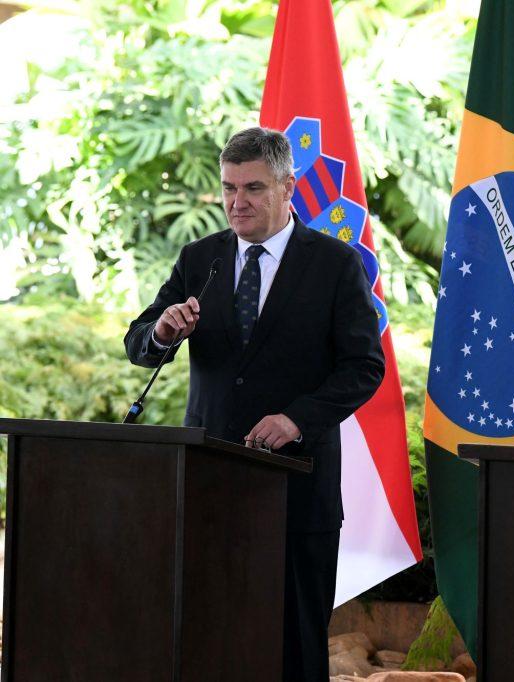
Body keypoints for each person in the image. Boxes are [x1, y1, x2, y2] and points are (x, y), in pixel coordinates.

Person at [124, 127, 385, 681]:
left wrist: (297, 418)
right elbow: (139, 343)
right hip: (208, 483)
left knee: (294, 649)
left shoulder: (335, 265)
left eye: (253, 189)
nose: (236, 202)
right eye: (228, 188)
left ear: (289, 187)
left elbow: (365, 368)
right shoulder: (201, 258)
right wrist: (162, 333)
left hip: (297, 490)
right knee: (206, 638)